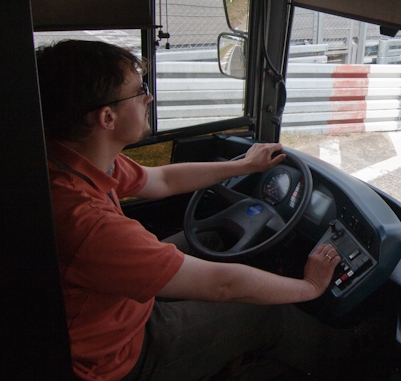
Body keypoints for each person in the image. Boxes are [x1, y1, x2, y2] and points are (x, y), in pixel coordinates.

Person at [36, 40, 350, 381]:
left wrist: (242, 166)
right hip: (117, 356)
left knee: (213, 238)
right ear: (107, 117)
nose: (148, 98)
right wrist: (310, 287)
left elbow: (163, 180)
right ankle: (352, 361)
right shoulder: (89, 224)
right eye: (139, 90)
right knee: (264, 316)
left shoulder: (71, 159)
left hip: (111, 303)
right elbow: (223, 287)